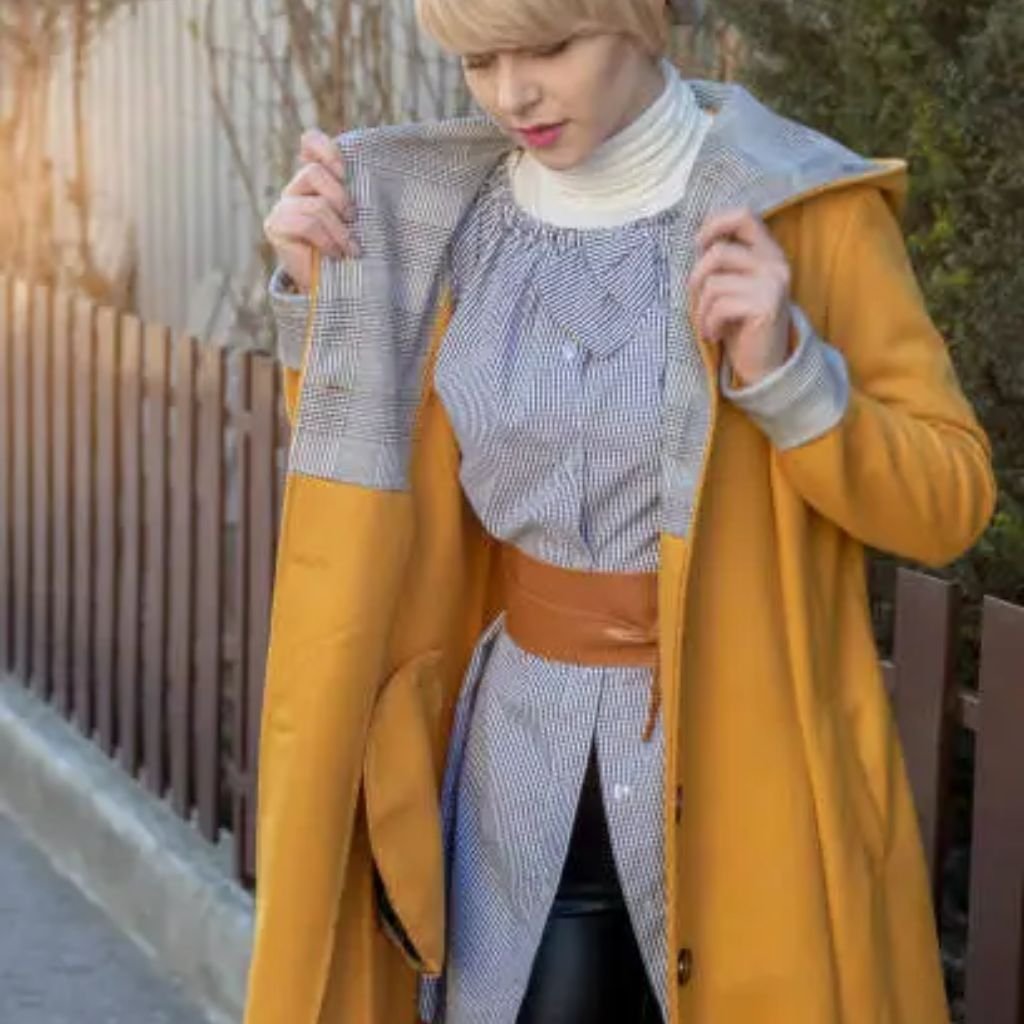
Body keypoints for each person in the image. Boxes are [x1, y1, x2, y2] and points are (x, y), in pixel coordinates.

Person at [246, 1, 996, 1022]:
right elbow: (389, 484)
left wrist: (789, 377)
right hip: (514, 762)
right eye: (480, 60)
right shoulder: (439, 217)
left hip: (748, 766)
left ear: (640, 19)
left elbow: (949, 503)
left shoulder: (801, 210)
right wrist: (320, 303)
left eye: (551, 47)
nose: (513, 93)